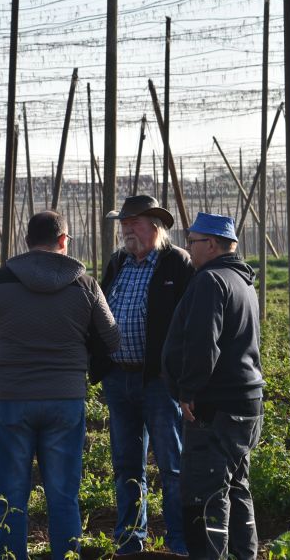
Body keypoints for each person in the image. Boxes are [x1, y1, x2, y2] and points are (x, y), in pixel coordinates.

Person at [0, 210, 119, 560]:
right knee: (63, 493)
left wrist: (7, 340)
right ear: (64, 241)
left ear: (27, 241)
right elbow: (112, 337)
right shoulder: (85, 285)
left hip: (11, 397)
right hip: (65, 398)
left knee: (10, 492)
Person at [162, 212, 264, 560]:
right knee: (236, 487)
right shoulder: (242, 280)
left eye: (192, 242)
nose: (187, 248)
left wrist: (188, 390)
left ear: (213, 244)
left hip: (216, 405)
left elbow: (204, 343)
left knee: (206, 493)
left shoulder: (210, 281)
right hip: (245, 402)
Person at [97, 195, 194, 555]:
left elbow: (190, 324)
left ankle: (179, 538)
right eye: (123, 224)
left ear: (156, 226)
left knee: (172, 463)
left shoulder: (176, 264)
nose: (126, 230)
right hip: (119, 378)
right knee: (125, 464)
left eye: (133, 223)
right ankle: (130, 538)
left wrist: (181, 375)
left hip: (159, 381)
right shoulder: (118, 262)